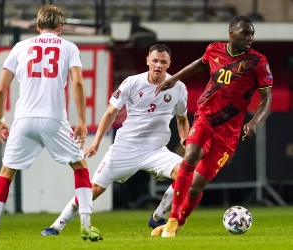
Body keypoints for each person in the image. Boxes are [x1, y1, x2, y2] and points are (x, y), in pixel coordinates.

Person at [40, 44, 190, 236]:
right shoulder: (132, 83)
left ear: (169, 63)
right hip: (125, 149)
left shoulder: (179, 87)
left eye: (163, 62)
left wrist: (185, 139)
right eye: (154, 61)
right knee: (93, 189)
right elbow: (111, 113)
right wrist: (96, 143)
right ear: (147, 61)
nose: (158, 65)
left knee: (187, 175)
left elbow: (182, 119)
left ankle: (158, 216)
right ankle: (56, 226)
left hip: (156, 150)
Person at [151, 15, 273, 237]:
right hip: (205, 119)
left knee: (196, 186)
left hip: (228, 135)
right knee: (190, 156)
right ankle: (170, 220)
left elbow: (267, 99)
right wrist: (175, 78)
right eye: (245, 33)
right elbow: (201, 63)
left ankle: (179, 223)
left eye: (252, 34)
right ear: (231, 32)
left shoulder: (258, 62)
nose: (249, 38)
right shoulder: (214, 49)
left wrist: (255, 121)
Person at [0, 5, 102, 243]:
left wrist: (0, 120)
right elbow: (78, 84)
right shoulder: (69, 47)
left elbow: (1, 89)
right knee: (79, 165)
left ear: (37, 26)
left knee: (6, 172)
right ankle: (85, 225)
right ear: (61, 27)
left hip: (23, 120)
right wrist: (82, 121)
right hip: (53, 119)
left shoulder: (20, 47)